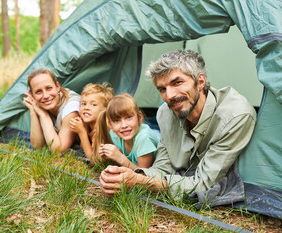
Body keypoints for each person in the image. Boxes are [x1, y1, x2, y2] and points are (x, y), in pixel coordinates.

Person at [99, 50, 256, 204]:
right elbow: (162, 168)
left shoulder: (235, 116)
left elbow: (202, 183)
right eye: (162, 89)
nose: (169, 96)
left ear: (200, 81)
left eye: (177, 83)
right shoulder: (164, 113)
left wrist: (140, 182)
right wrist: (125, 175)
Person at [23, 68, 80, 154]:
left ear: (57, 87)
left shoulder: (72, 106)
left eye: (49, 88)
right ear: (32, 95)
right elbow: (38, 146)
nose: (45, 96)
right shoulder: (41, 104)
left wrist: (44, 116)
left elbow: (58, 151)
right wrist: (33, 112)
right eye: (38, 91)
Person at [97, 93, 159, 169]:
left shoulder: (144, 138)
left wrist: (120, 158)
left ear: (139, 117)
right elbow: (122, 163)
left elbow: (143, 175)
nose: (124, 125)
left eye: (129, 117)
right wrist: (110, 155)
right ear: (110, 125)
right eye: (116, 121)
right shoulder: (114, 135)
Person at [69, 83, 114, 162]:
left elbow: (94, 161)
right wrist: (84, 130)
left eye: (93, 105)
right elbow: (83, 150)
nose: (86, 108)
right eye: (83, 104)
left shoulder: (104, 127)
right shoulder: (88, 124)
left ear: (105, 109)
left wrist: (81, 132)